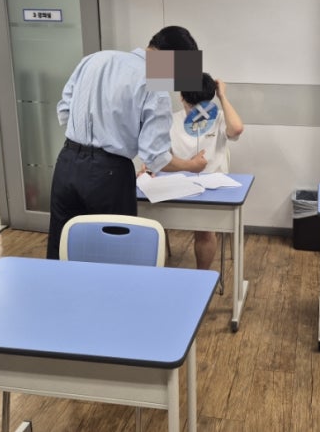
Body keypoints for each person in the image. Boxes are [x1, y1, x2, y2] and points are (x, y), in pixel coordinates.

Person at [46, 26, 207, 260]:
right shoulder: (155, 84)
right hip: (108, 175)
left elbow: (64, 110)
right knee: (114, 256)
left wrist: (93, 134)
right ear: (172, 60)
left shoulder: (95, 59)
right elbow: (155, 157)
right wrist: (190, 165)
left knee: (63, 249)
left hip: (66, 165)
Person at [170, 72, 244, 269]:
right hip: (178, 185)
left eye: (201, 106)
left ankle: (202, 275)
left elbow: (236, 129)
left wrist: (223, 96)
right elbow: (160, 158)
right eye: (191, 106)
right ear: (181, 98)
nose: (196, 112)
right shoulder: (170, 121)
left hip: (211, 188)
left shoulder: (219, 119)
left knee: (204, 230)